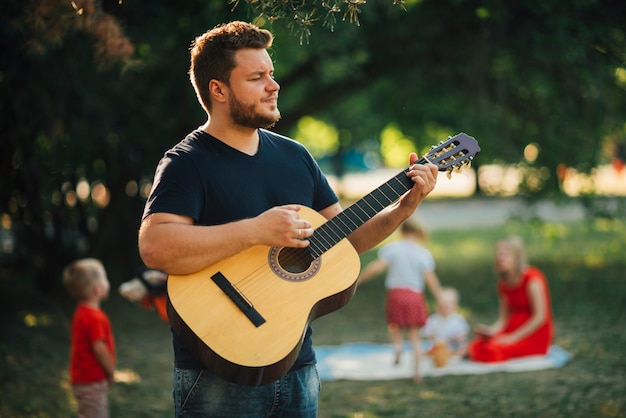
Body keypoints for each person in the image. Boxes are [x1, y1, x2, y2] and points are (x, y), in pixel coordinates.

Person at [138, 21, 438, 417]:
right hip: (217, 375)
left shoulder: (295, 156)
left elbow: (345, 237)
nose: (273, 85)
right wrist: (255, 231)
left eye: (272, 74)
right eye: (257, 77)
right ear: (219, 90)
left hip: (297, 365)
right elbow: (156, 247)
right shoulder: (186, 163)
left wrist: (403, 208)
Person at [357, 220, 442, 382]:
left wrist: (359, 280)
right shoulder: (422, 253)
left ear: (401, 231)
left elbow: (376, 267)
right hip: (415, 296)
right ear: (418, 232)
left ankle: (398, 347)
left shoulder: (393, 249)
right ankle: (417, 374)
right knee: (415, 336)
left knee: (394, 326)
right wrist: (439, 297)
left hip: (396, 294)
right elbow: (430, 279)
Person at [468, 236, 554, 362]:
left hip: (533, 335)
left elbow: (540, 317)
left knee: (492, 351)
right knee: (477, 344)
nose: (499, 257)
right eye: (498, 253)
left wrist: (513, 337)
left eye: (505, 254)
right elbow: (503, 319)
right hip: (512, 330)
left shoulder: (532, 280)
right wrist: (491, 331)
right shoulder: (503, 283)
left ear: (517, 257)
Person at [62, 258, 116, 418]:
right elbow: (99, 348)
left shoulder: (81, 312)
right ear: (98, 289)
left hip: (83, 380)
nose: (108, 282)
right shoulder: (95, 318)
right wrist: (111, 371)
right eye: (105, 278)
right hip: (91, 382)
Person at [421, 286, 469, 366]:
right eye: (441, 307)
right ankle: (437, 357)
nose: (444, 310)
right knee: (430, 349)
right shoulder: (434, 319)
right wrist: (433, 337)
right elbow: (427, 332)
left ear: (454, 306)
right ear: (437, 306)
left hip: (453, 345)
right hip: (439, 346)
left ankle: (457, 356)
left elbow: (463, 333)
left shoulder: (458, 319)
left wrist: (455, 338)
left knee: (464, 345)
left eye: (447, 307)